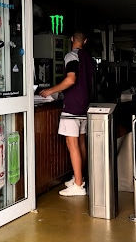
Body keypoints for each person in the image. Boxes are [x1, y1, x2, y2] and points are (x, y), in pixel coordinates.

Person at [40, 30, 93, 196]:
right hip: (85, 106)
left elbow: (71, 79)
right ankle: (80, 178)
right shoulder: (89, 58)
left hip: (72, 107)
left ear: (71, 39)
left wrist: (50, 91)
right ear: (85, 41)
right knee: (81, 142)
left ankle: (78, 185)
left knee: (72, 145)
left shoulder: (71, 55)